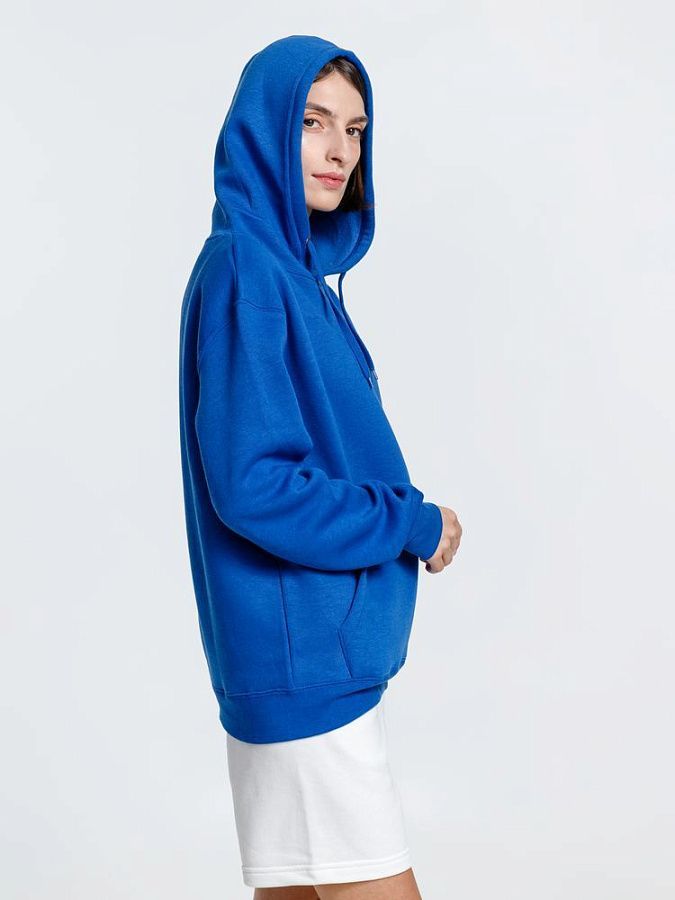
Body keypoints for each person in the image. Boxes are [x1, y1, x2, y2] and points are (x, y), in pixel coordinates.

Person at [178, 34, 462, 899]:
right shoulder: (248, 273)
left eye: (355, 129)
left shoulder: (284, 278)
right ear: (264, 127)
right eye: (312, 122)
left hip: (298, 666)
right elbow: (254, 485)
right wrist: (410, 521)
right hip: (305, 670)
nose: (339, 149)